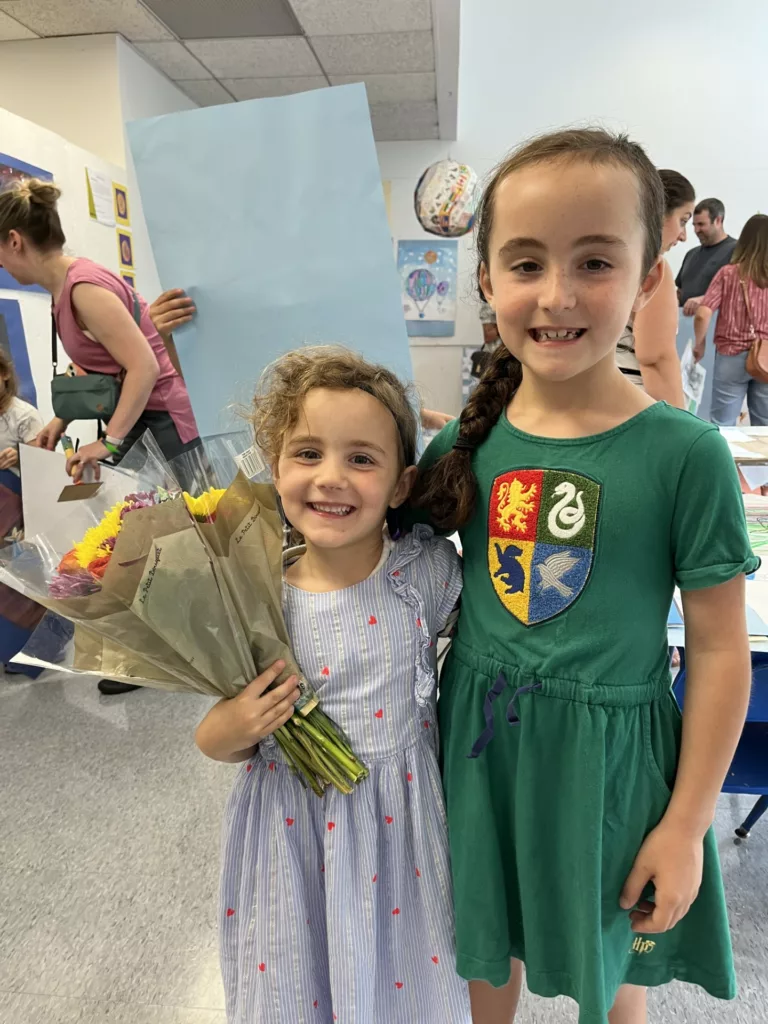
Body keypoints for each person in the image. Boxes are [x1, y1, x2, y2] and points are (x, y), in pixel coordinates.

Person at [411, 128, 756, 1023]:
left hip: (618, 766)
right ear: (486, 280)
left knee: (614, 979)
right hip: (479, 749)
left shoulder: (685, 456)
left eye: (594, 262)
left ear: (650, 277)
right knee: (484, 952)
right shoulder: (464, 445)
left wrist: (685, 827)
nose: (557, 295)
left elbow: (721, 653)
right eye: (525, 264)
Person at [195, 346, 470, 1024]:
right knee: (296, 985)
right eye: (308, 453)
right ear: (275, 466)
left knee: (402, 984)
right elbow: (214, 735)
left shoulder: (424, 575)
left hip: (399, 830)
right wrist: (236, 728)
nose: (331, 479)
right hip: (290, 836)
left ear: (401, 486)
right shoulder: (255, 597)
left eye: (362, 459)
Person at [0, 177, 201, 696]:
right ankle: (152, 650)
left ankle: (186, 653)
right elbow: (99, 366)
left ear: (15, 240)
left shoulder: (83, 288)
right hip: (138, 417)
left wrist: (107, 443)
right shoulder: (65, 290)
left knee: (169, 542)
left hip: (163, 422)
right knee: (129, 539)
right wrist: (61, 422)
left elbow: (143, 368)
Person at [616, 169, 693, 406]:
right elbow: (656, 357)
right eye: (683, 220)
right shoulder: (653, 268)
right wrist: (680, 426)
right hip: (636, 404)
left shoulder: (608, 261)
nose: (683, 236)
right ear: (659, 213)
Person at [693, 214, 768, 426]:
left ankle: (725, 461)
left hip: (731, 356)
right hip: (767, 358)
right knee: (766, 427)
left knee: (723, 425)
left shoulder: (728, 274)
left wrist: (700, 344)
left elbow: (702, 313)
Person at [676, 199, 737, 316]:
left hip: (717, 327)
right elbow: (680, 291)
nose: (696, 230)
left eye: (701, 224)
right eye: (694, 225)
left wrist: (705, 300)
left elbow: (740, 293)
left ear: (718, 221)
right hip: (684, 327)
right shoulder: (691, 254)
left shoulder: (737, 251)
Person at [0, 349, 42, 476]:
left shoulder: (25, 415)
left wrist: (19, 458)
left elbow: (43, 464)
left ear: (5, 374)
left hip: (20, 492)